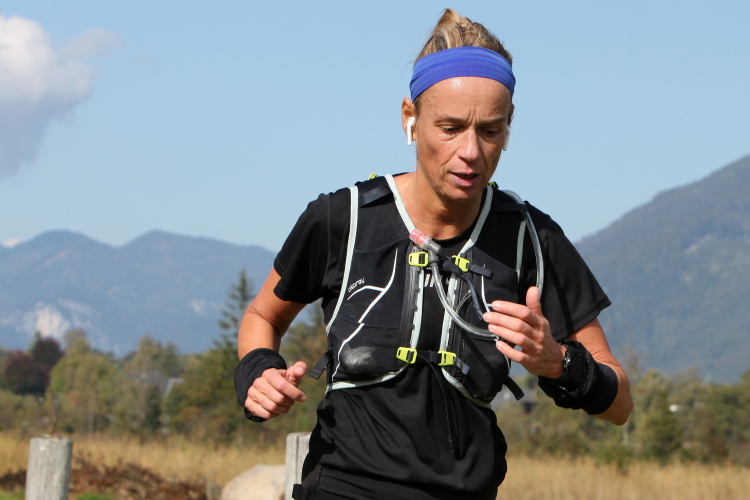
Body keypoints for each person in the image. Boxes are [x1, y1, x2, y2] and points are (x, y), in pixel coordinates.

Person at [235, 8, 633, 500]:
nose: (471, 152)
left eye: (490, 131)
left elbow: (620, 404)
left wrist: (558, 362)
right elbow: (262, 316)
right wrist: (258, 373)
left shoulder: (532, 238)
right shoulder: (342, 220)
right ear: (410, 117)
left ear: (509, 125)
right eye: (450, 128)